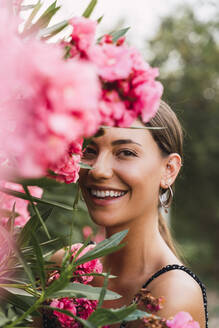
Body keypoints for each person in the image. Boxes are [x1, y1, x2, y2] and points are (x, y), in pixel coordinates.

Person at [77, 100, 207, 328]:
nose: (98, 170)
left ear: (169, 170)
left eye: (125, 152)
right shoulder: (65, 269)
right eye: (90, 150)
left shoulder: (172, 296)